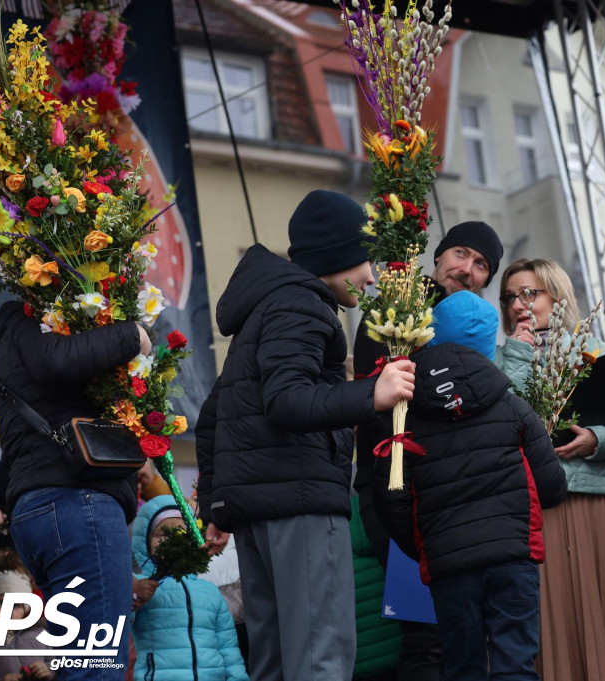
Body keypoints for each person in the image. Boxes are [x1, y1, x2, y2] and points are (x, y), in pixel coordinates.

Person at [195, 189, 416, 681]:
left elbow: (216, 411)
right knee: (319, 656)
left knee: (273, 661)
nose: (372, 276)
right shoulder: (302, 306)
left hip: (258, 506)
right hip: (300, 500)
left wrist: (216, 502)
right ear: (337, 255)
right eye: (365, 260)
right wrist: (370, 395)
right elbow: (288, 399)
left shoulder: (264, 309)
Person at [375, 291, 567, 680]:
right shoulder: (512, 406)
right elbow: (551, 486)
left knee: (462, 667)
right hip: (513, 556)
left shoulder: (404, 416)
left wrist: (429, 545)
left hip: (448, 567)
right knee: (515, 664)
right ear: (486, 345)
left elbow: (391, 501)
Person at [495, 257, 605, 680]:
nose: (518, 304)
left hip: (601, 505)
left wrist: (597, 440)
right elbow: (503, 423)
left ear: (557, 296)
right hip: (538, 510)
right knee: (556, 624)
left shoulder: (594, 354)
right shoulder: (499, 362)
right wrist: (518, 353)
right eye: (509, 297)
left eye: (529, 293)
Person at [352, 220, 505, 681]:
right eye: (461, 254)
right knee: (427, 632)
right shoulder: (398, 306)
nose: (468, 269)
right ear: (437, 257)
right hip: (399, 484)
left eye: (482, 266)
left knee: (462, 631)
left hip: (457, 490)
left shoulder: (475, 330)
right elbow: (373, 390)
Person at [0, 290, 149, 679]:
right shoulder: (30, 318)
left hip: (49, 505)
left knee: (82, 661)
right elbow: (58, 358)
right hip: (76, 501)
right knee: (97, 666)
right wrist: (132, 336)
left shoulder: (14, 337)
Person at [131, 495, 247, 681]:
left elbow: (228, 649)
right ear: (146, 542)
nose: (172, 540)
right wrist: (134, 592)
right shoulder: (142, 585)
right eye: (162, 534)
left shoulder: (209, 591)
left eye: (181, 533)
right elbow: (117, 618)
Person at [0, 570, 55, 681]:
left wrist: (47, 672)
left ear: (26, 611)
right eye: (0, 603)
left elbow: (60, 668)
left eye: (16, 605)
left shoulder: (42, 636)